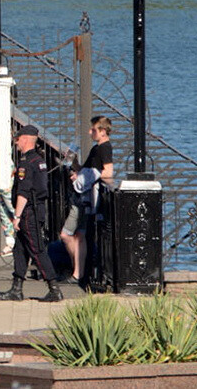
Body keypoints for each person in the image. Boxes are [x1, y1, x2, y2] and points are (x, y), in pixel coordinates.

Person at [0, 124, 64, 302]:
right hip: (36, 209)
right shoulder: (39, 160)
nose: (16, 143)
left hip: (29, 211)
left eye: (18, 139)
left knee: (36, 249)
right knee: (20, 249)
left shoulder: (27, 162)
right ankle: (16, 288)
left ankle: (54, 288)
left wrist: (17, 216)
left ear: (26, 139)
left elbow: (24, 191)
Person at [61, 116, 115, 287]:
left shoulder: (104, 148)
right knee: (78, 236)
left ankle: (78, 270)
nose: (90, 132)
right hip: (84, 196)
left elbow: (108, 172)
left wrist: (86, 176)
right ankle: (79, 270)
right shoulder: (96, 149)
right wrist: (74, 164)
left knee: (71, 235)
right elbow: (87, 169)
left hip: (87, 198)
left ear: (103, 131)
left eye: (93, 130)